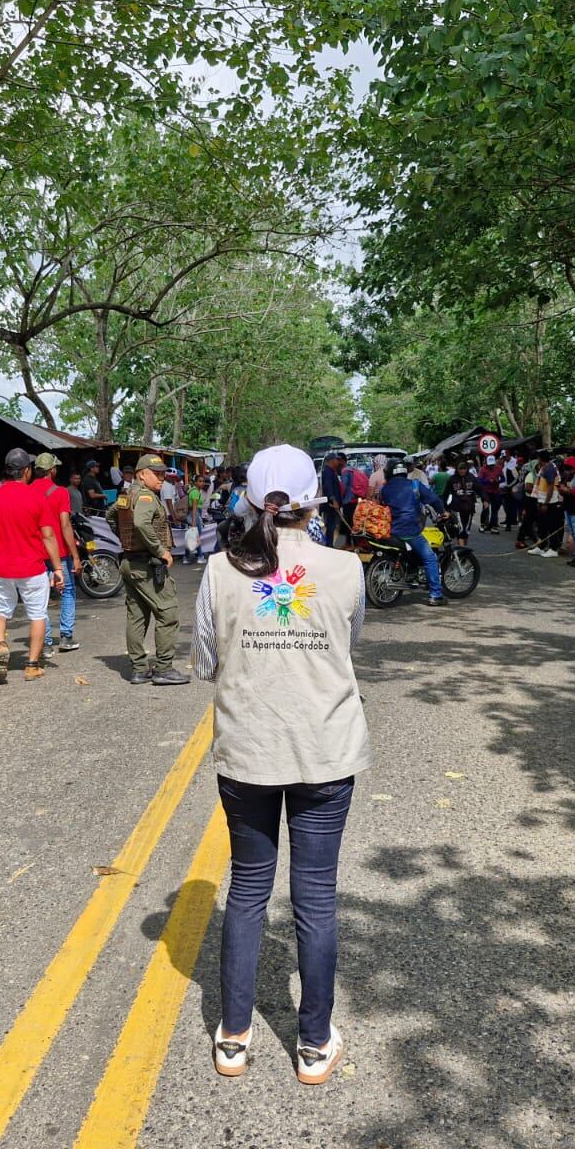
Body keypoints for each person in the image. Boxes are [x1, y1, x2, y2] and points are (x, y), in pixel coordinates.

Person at [192, 444, 368, 1085]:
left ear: (249, 497)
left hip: (248, 751)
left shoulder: (217, 571)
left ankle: (233, 1037)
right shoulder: (347, 567)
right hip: (325, 749)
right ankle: (314, 1044)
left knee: (246, 890)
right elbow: (352, 640)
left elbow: (205, 661)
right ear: (314, 500)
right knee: (316, 898)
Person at [0, 447, 64, 684]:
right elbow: (49, 536)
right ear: (27, 471)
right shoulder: (36, 498)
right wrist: (58, 568)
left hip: (0, 568)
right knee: (37, 614)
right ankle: (32, 665)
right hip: (32, 569)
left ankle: (1, 645)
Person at [111, 453, 189, 685]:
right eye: (156, 474)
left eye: (163, 473)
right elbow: (141, 523)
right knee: (168, 613)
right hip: (147, 566)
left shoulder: (128, 495)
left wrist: (127, 542)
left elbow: (111, 515)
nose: (161, 478)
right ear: (141, 475)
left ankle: (139, 669)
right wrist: (160, 551)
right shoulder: (145, 496)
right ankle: (163, 668)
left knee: (137, 616)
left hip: (130, 563)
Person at [29, 452, 81, 655]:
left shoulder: (27, 491)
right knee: (67, 590)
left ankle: (46, 642)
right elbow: (65, 524)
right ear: (52, 470)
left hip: (36, 553)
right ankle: (66, 637)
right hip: (59, 552)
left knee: (39, 596)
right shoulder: (60, 492)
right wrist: (75, 555)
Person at [379, 459, 446, 605]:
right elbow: (434, 499)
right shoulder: (415, 484)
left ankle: (412, 572)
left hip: (390, 530)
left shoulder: (384, 489)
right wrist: (443, 512)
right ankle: (436, 594)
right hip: (409, 530)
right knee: (430, 558)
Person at [526, 450, 563, 557]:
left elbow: (551, 487)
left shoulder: (550, 469)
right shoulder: (544, 468)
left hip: (550, 502)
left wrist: (546, 503)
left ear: (540, 458)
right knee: (542, 525)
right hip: (541, 500)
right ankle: (541, 546)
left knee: (551, 525)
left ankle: (553, 548)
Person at [319, 452, 345, 547]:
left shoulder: (330, 471)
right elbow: (328, 487)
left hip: (332, 503)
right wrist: (333, 500)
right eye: (336, 460)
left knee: (332, 526)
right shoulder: (327, 472)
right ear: (332, 460)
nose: (338, 462)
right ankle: (328, 545)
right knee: (331, 526)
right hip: (331, 505)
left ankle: (328, 544)